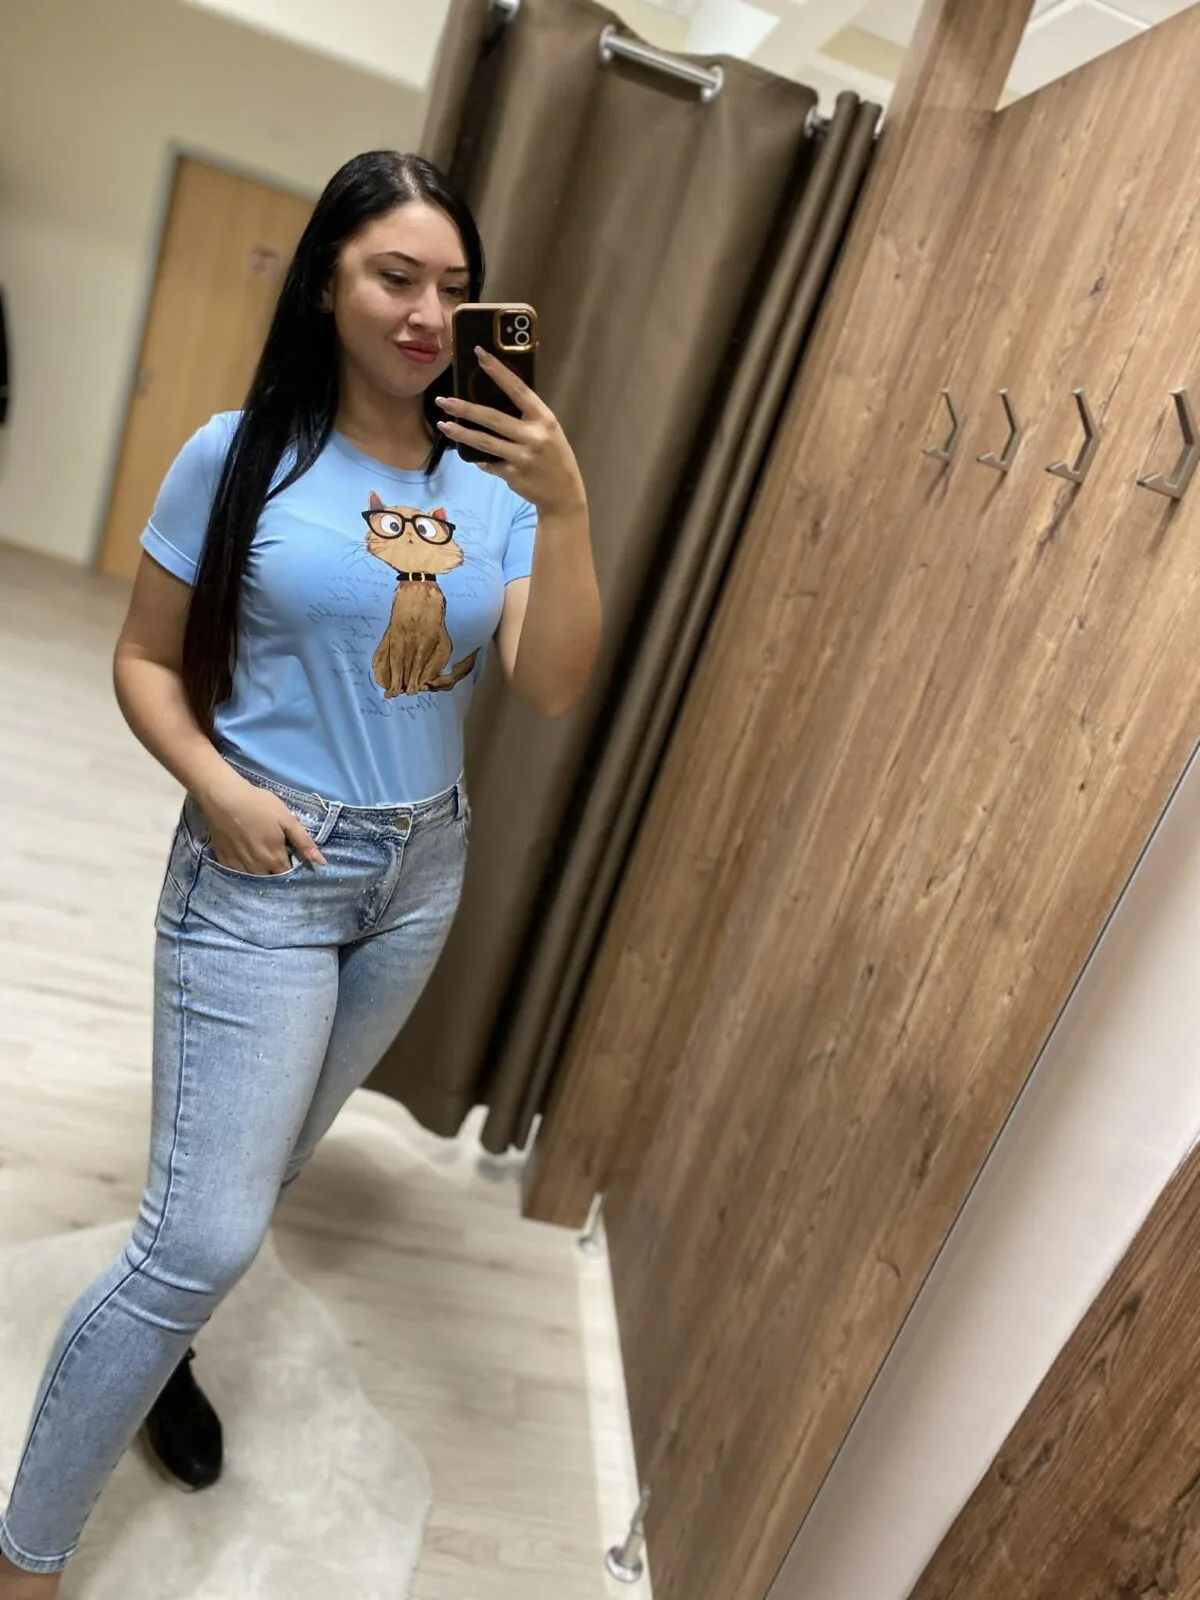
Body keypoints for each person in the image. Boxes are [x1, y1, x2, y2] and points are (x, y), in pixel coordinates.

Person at [0, 149, 601, 1597]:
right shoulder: (237, 455)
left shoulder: (498, 486)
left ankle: (162, 1360)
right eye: (396, 275)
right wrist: (217, 789)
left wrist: (571, 509)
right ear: (329, 279)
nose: (429, 312)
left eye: (455, 286)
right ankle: (26, 1562)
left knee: (256, 1174)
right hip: (261, 867)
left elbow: (552, 685)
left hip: (419, 874)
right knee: (202, 1234)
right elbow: (145, 660)